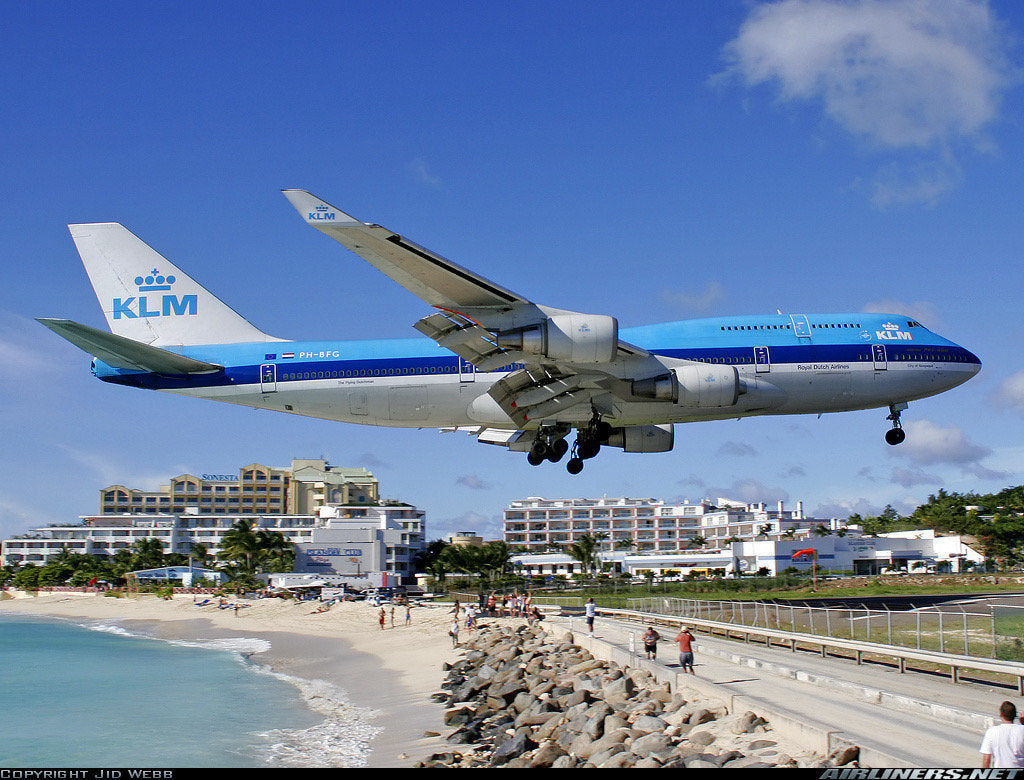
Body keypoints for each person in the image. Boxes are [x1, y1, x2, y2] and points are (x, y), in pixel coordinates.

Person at [981, 701, 1024, 768]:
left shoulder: (992, 731)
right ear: (1015, 715)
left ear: (1001, 714)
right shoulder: (1022, 730)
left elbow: (986, 760)